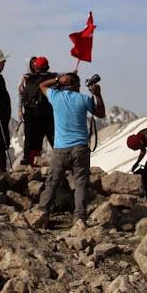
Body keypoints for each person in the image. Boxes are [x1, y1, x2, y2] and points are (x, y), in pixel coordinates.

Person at [36, 72, 105, 225]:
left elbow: (41, 85)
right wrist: (98, 95)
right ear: (76, 86)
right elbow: (101, 113)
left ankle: (42, 212)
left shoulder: (55, 96)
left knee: (52, 182)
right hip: (80, 147)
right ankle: (79, 218)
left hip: (61, 148)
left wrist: (57, 79)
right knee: (80, 183)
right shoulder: (84, 99)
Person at [18, 56, 56, 165]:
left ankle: (28, 158)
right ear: (47, 67)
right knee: (53, 137)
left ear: (36, 67)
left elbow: (22, 95)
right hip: (48, 113)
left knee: (31, 138)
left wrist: (20, 110)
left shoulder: (27, 78)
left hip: (31, 114)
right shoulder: (53, 78)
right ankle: (61, 158)